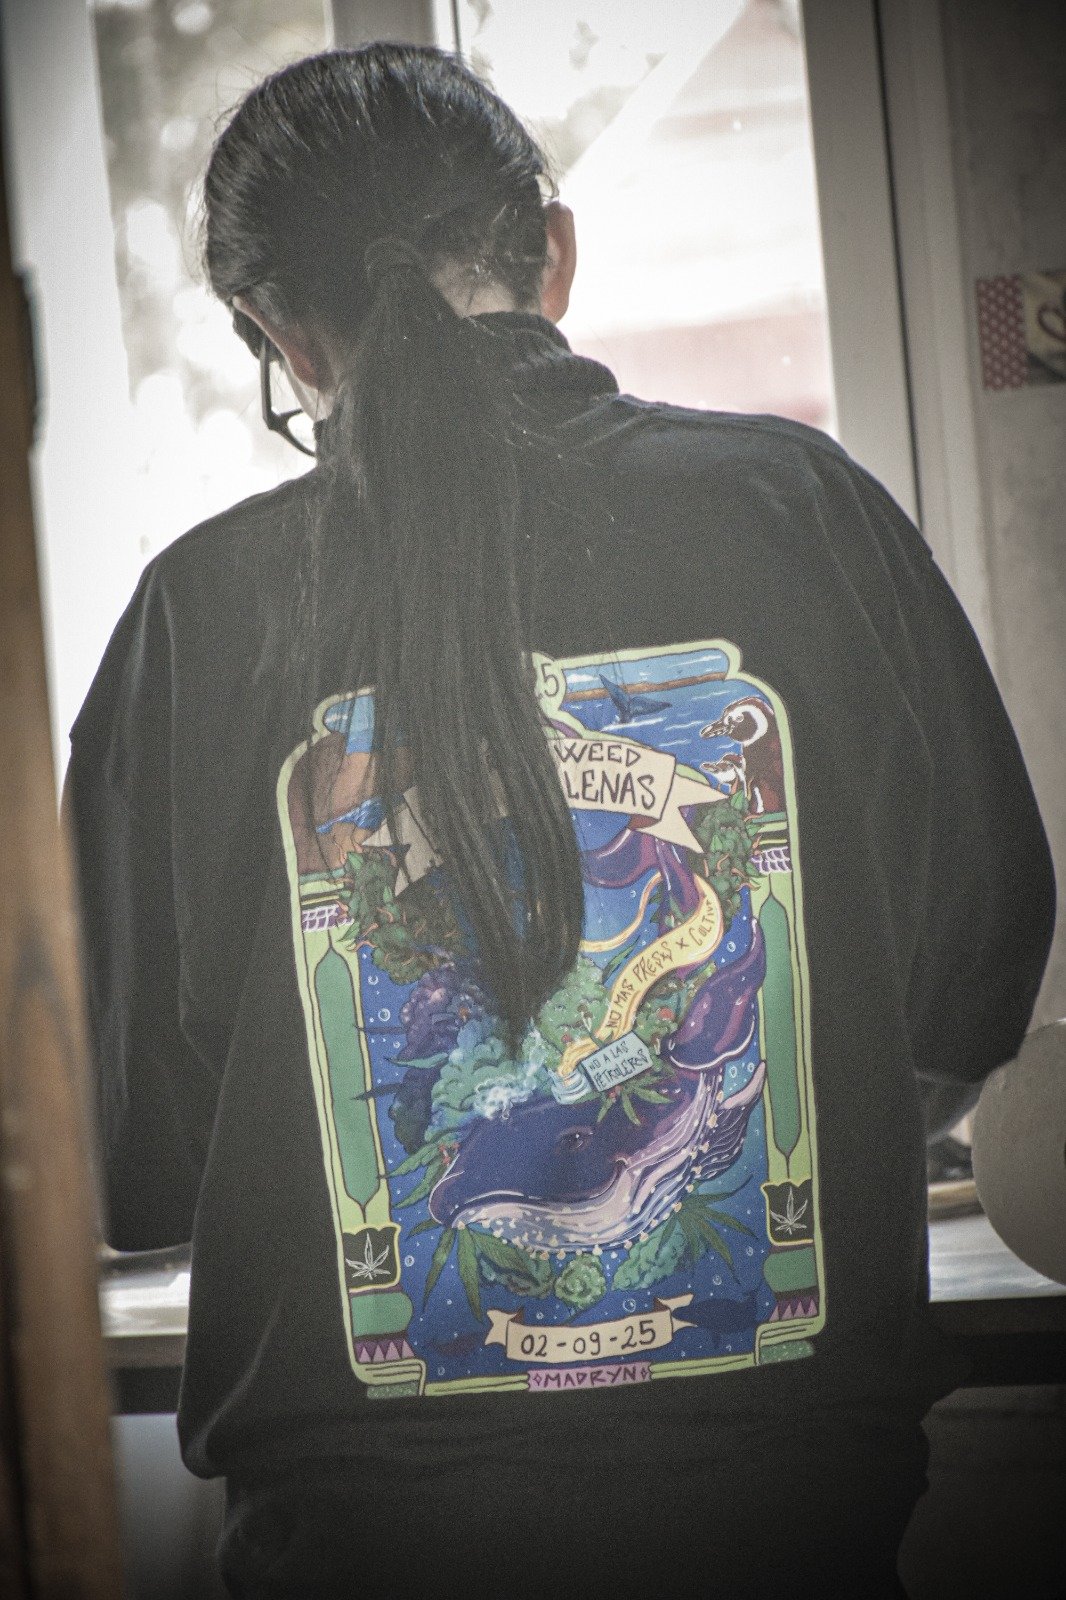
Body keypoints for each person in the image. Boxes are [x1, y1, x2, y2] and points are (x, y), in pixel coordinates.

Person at [67, 43, 1055, 1599]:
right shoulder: (800, 507)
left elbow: (134, 1145)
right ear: (552, 247)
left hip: (364, 1529)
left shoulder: (200, 614)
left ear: (276, 332)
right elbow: (973, 970)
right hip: (782, 1496)